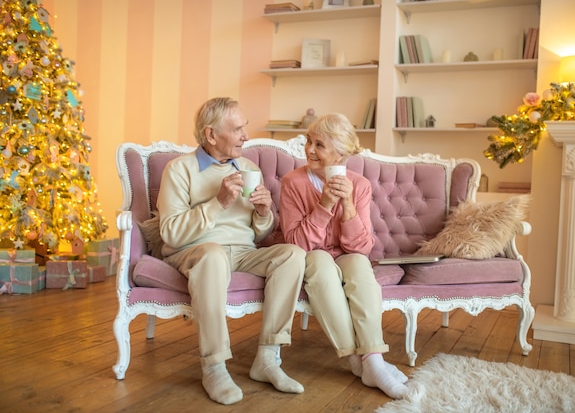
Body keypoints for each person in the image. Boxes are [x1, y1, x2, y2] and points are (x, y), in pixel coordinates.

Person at [157, 97, 306, 405]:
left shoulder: (249, 168)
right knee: (212, 254)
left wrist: (264, 212)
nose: (245, 136)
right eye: (237, 129)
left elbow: (258, 231)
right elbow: (169, 232)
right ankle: (213, 366)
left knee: (292, 255)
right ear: (211, 135)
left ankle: (268, 357)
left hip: (241, 251)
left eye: (245, 128)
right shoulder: (179, 169)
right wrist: (218, 203)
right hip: (194, 250)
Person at [279, 113, 409, 399]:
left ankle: (373, 359)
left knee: (361, 267)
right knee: (320, 267)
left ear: (340, 154)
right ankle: (357, 360)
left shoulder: (359, 185)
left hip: (347, 253)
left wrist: (347, 205)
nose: (309, 150)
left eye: (319, 145)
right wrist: (325, 205)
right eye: (308, 142)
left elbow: (361, 246)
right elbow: (297, 243)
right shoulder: (293, 182)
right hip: (310, 254)